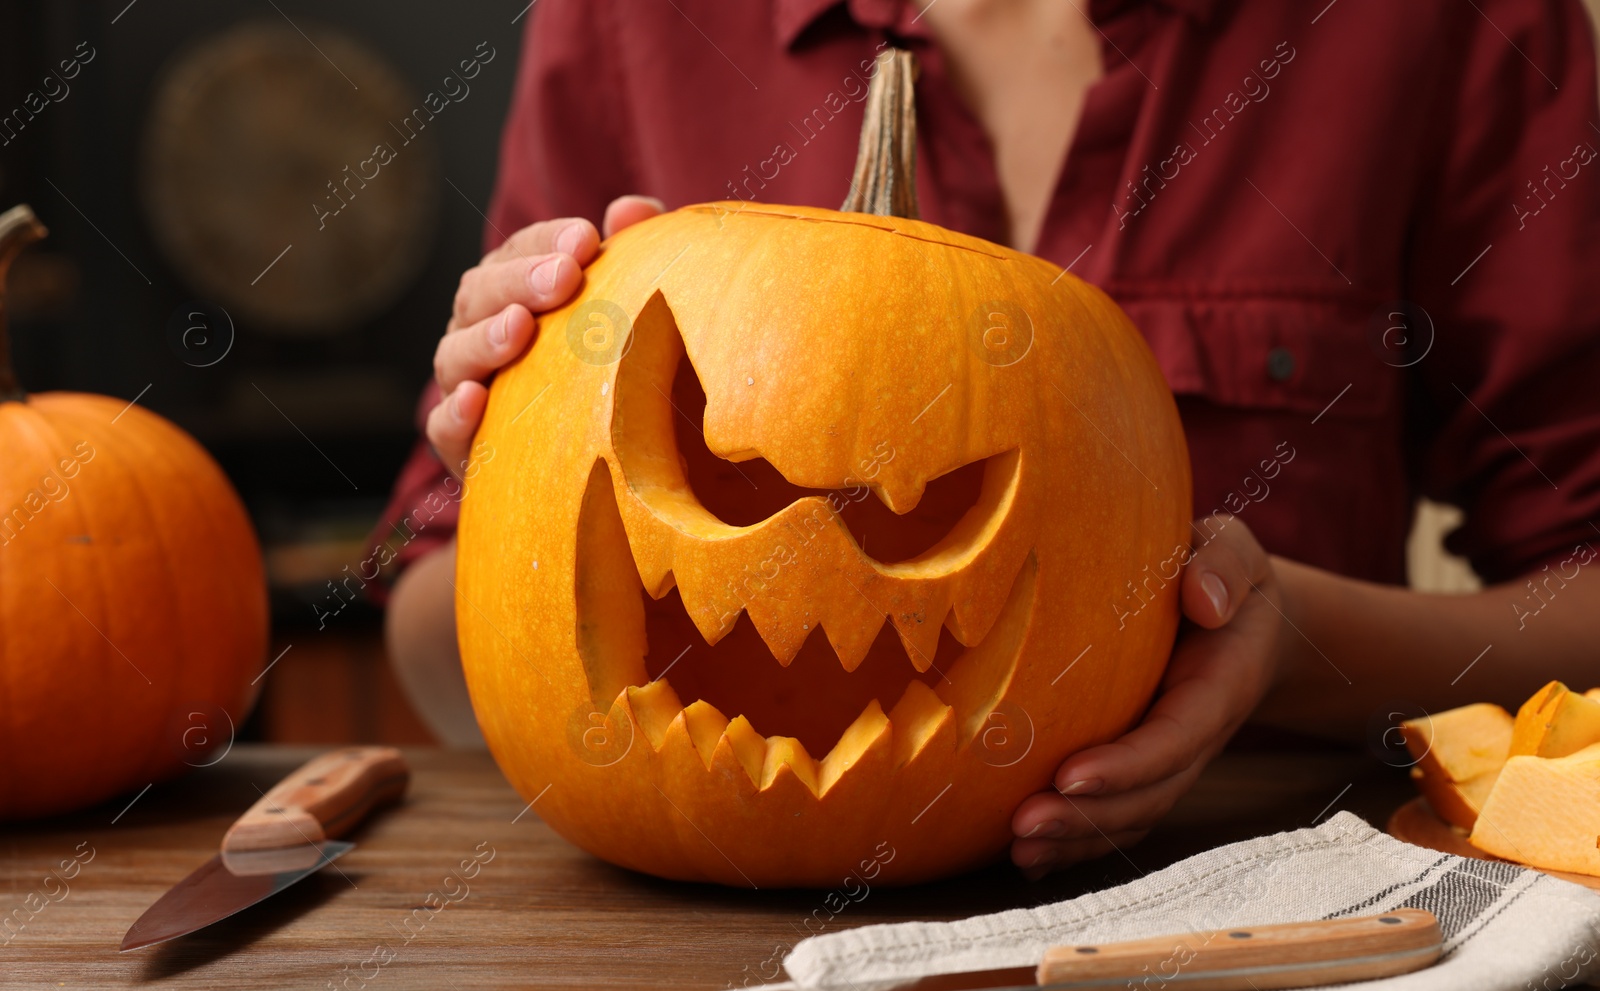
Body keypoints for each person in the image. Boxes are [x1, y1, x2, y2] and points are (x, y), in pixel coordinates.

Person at [377, 0, 1600, 876]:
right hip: (638, 962)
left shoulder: (1438, 24)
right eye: (727, 468)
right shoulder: (629, 21)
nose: (816, 546)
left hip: (1267, 912)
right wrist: (514, 462)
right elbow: (434, 636)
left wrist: (1295, 643)